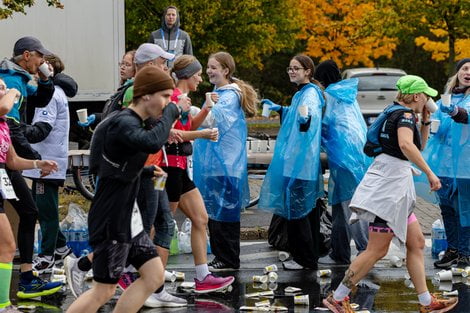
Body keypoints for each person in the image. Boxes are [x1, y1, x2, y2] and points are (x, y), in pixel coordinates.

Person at [322, 75, 458, 313]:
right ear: (416, 96)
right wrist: (429, 173)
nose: (427, 99)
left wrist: (425, 121)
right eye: (425, 95)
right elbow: (406, 146)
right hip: (389, 191)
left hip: (394, 190)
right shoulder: (404, 115)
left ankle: (426, 302)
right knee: (377, 249)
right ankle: (338, 296)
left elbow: (418, 146)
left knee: (416, 243)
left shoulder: (397, 112)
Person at [67, 66, 180, 313]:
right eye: (165, 96)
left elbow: (116, 165)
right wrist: (172, 112)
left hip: (130, 219)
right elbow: (151, 142)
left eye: (170, 98)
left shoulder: (131, 124)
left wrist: (147, 172)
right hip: (112, 218)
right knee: (103, 290)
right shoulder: (124, 123)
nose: (167, 102)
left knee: (153, 276)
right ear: (146, 95)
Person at [160, 54, 233, 288]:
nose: (201, 79)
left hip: (181, 168)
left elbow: (186, 126)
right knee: (161, 225)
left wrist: (206, 109)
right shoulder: (172, 97)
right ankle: (147, 277)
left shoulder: (184, 98)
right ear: (188, 76)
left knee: (201, 219)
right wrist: (203, 135)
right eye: (199, 74)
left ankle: (202, 276)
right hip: (170, 166)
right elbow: (171, 135)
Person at [0, 36, 65, 298]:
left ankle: (27, 279)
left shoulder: (19, 79)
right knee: (6, 243)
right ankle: (5, 299)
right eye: (39, 56)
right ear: (26, 55)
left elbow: (13, 154)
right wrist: (11, 93)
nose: (42, 61)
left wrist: (39, 162)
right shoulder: (12, 81)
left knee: (29, 212)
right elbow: (12, 121)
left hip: (6, 166)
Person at [258, 54, 325, 270]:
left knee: (299, 213)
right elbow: (296, 115)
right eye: (289, 68)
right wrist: (281, 109)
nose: (291, 71)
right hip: (299, 162)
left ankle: (304, 259)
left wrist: (306, 122)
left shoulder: (310, 94)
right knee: (305, 212)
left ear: (308, 71)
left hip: (301, 164)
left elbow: (309, 118)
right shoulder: (301, 93)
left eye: (296, 68)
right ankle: (308, 257)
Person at [193, 51, 258, 271]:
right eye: (208, 67)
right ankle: (222, 257)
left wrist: (190, 108)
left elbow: (212, 119)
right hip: (218, 164)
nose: (210, 71)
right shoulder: (219, 92)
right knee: (215, 212)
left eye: (214, 67)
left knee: (225, 214)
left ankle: (228, 259)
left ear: (226, 71)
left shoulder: (229, 96)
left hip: (225, 165)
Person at [21, 54, 77, 272]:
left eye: (40, 66)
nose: (36, 70)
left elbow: (43, 127)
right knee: (42, 207)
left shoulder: (52, 94)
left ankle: (46, 257)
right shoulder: (57, 91)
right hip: (46, 160)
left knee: (46, 211)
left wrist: (17, 130)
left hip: (47, 161)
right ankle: (61, 247)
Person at [315, 60, 370, 265]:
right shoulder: (346, 94)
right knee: (339, 206)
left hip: (344, 156)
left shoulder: (330, 95)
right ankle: (339, 253)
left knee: (350, 206)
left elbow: (327, 125)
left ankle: (366, 252)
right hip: (355, 155)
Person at [422, 58, 470, 270]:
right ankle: (453, 249)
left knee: (465, 211)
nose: (468, 72)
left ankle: (466, 253)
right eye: (464, 68)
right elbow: (440, 131)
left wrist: (453, 111)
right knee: (447, 210)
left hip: (466, 168)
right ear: (458, 72)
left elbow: (465, 117)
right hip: (443, 167)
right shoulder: (446, 99)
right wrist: (431, 123)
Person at [78, 50, 137, 128]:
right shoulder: (124, 87)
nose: (122, 67)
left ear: (136, 68)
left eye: (128, 65)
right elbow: (112, 115)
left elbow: (124, 120)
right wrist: (96, 117)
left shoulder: (131, 90)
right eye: (122, 63)